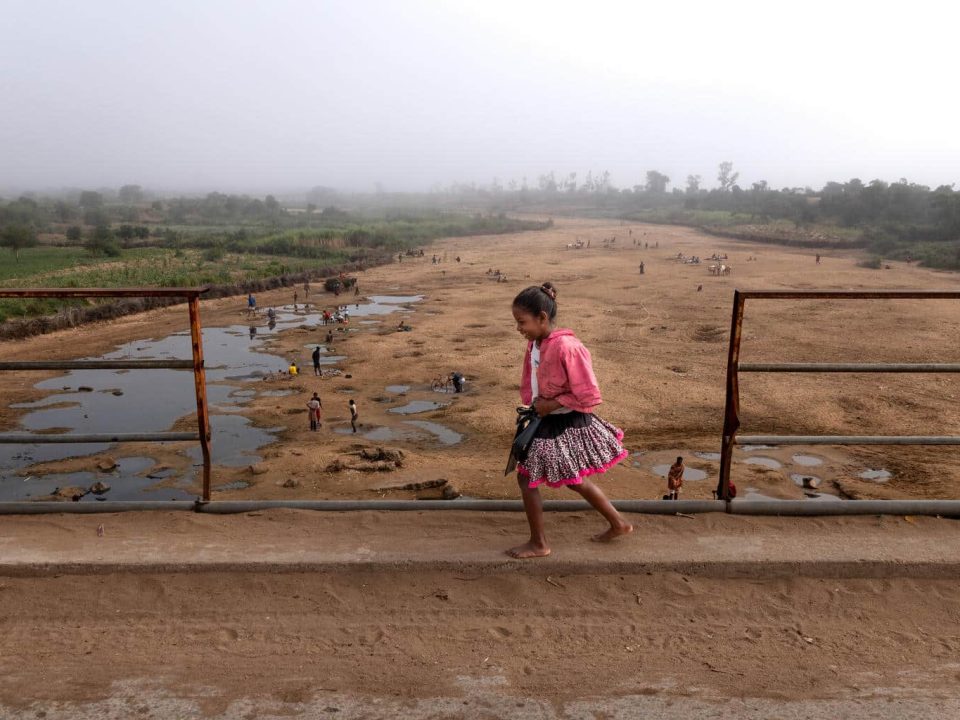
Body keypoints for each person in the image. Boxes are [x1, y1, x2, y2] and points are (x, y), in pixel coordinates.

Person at [507, 282, 632, 559]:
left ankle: (539, 543)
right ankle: (619, 523)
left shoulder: (567, 346)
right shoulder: (535, 344)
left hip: (564, 422)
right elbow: (533, 378)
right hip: (548, 420)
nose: (519, 328)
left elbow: (589, 393)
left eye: (521, 322)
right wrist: (535, 404)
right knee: (573, 480)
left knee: (527, 479)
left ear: (541, 317)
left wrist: (552, 403)